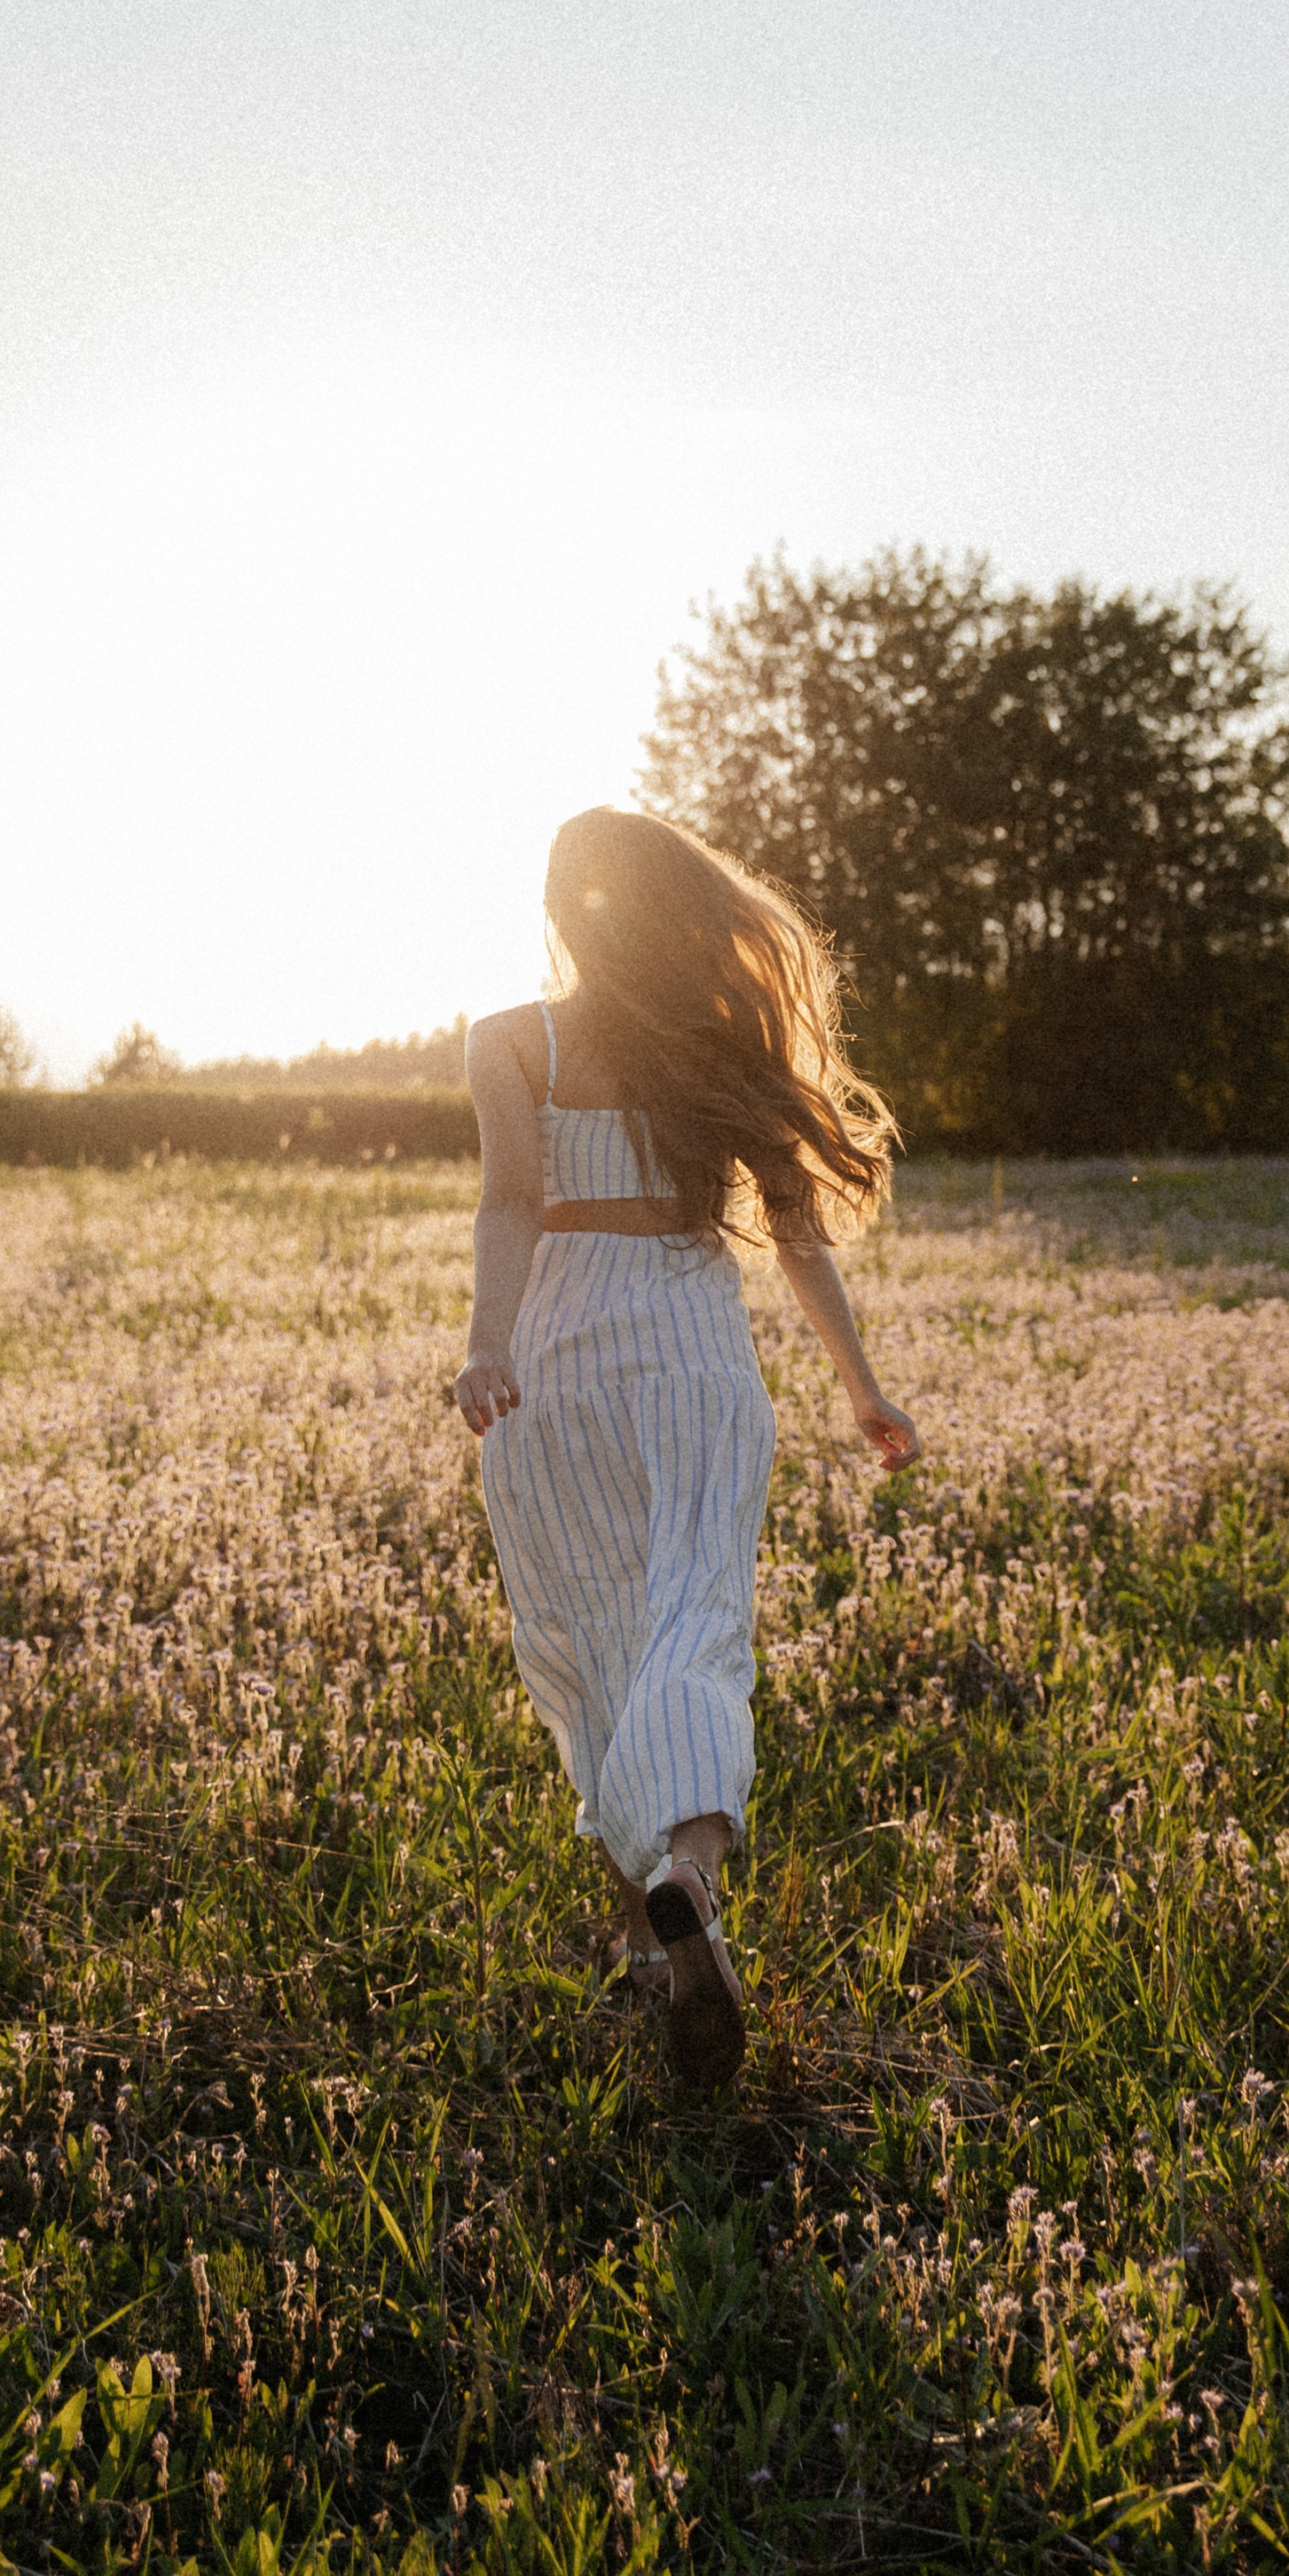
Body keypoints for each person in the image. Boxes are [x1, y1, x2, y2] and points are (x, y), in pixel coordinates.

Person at [454, 807, 919, 2087]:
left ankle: (654, 1947)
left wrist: (488, 1345)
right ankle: (687, 1884)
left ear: (560, 913)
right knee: (694, 1618)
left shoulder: (509, 1041)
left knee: (592, 1643)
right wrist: (865, 1391)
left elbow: (509, 1204)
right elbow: (798, 1239)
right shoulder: (721, 1042)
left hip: (554, 1365)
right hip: (693, 1357)